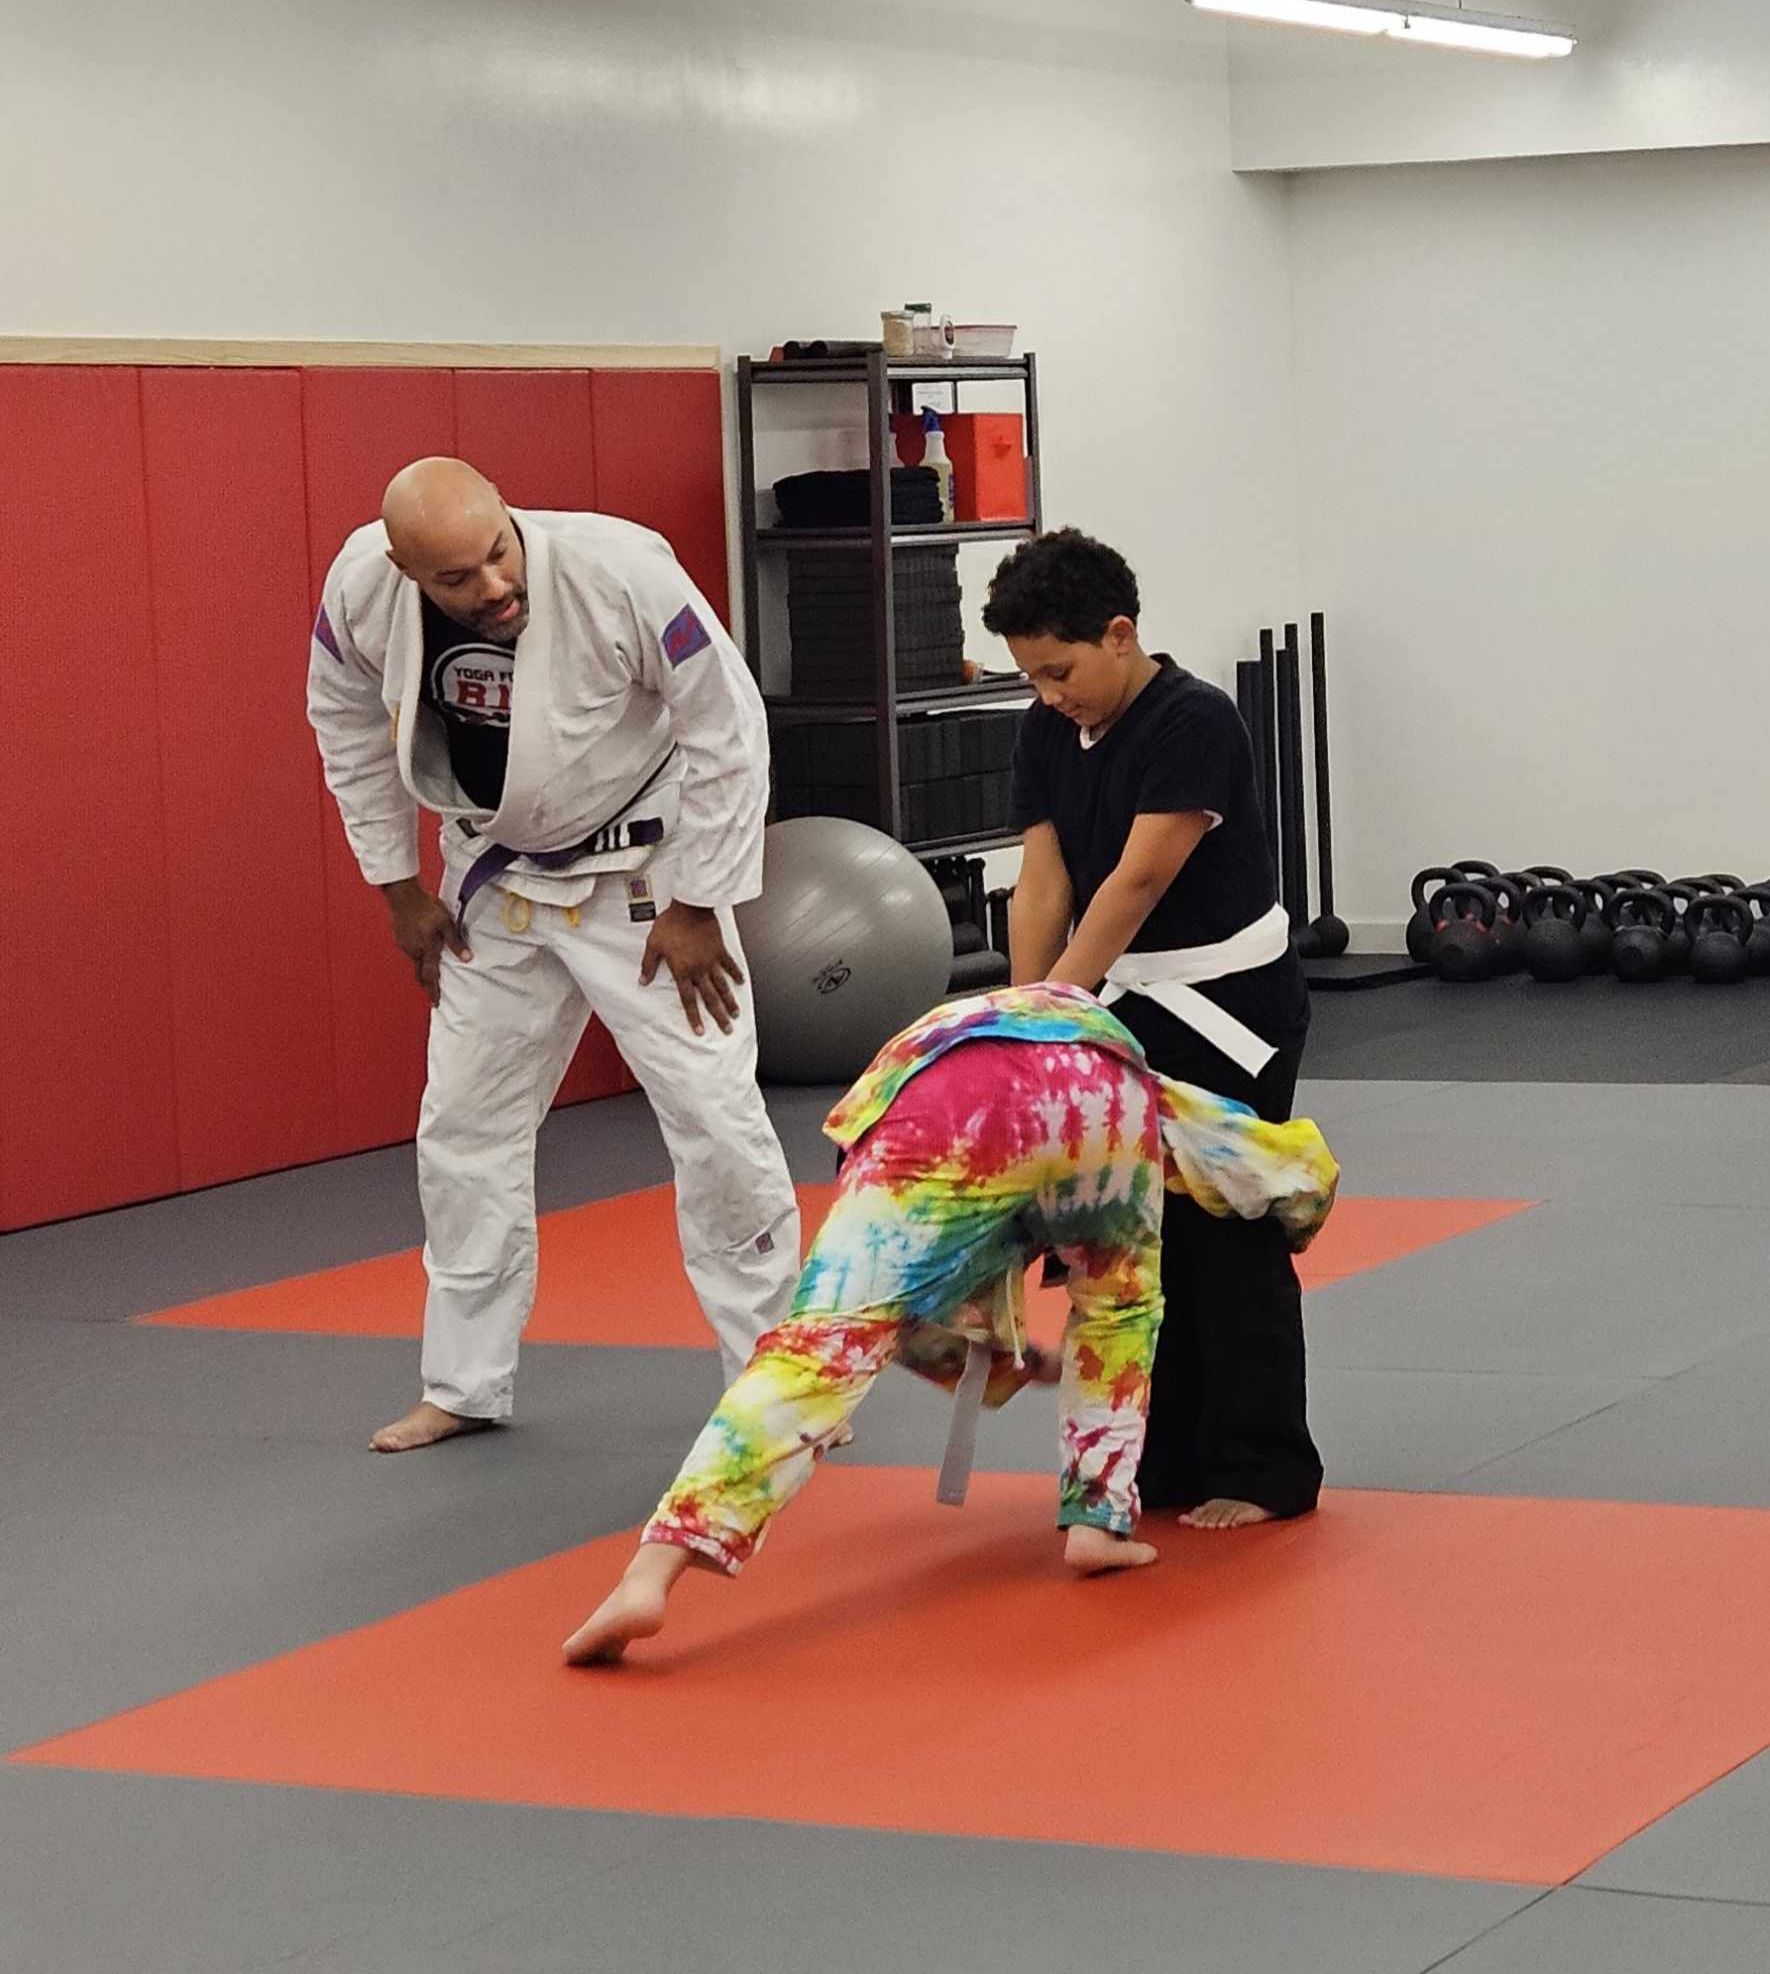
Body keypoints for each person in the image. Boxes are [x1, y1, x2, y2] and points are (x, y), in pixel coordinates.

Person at [562, 982, 1338, 1665]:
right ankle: (1097, 1522)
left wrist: (991, 1361)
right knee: (1121, 1311)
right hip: (1091, 1099)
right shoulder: (1161, 1108)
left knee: (823, 1344)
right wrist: (1006, 1362)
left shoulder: (1104, 1058)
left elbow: (894, 1314)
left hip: (938, 1098)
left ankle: (651, 1574)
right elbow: (1133, 1294)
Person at [307, 457, 800, 1453]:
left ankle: (776, 1394)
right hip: (497, 879)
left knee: (712, 1115)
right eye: (456, 578)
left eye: (496, 552)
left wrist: (700, 900)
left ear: (506, 514)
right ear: (406, 567)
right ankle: (462, 1379)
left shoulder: (620, 568)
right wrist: (397, 887)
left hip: (646, 884)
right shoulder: (361, 584)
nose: (491, 585)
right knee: (463, 1122)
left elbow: (727, 727)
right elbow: (347, 724)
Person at [983, 528, 1321, 1531]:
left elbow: (1135, 878)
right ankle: (1160, 1458)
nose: (1050, 692)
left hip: (1224, 1013)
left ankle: (1261, 1466)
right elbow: (1043, 880)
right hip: (1109, 1003)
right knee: (1119, 1242)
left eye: (1061, 668)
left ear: (1119, 634)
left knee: (1224, 1233)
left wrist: (1060, 1006)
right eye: (1032, 675)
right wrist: (1019, 1016)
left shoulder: (1193, 717)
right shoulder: (1045, 729)